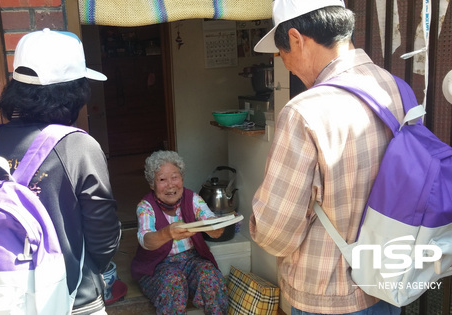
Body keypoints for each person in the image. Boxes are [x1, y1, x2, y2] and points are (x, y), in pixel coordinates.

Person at [250, 1, 405, 314]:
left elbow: (275, 233)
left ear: (296, 39)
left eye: (282, 55)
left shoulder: (304, 112)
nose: (286, 65)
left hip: (329, 295)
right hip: (389, 280)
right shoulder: (394, 88)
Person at [0, 28, 121, 315]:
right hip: (72, 298)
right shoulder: (78, 146)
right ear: (73, 92)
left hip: (1, 299)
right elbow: (104, 237)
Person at [130, 150, 228, 315]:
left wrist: (216, 228)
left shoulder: (193, 199)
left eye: (174, 177)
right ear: (152, 185)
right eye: (162, 179)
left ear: (181, 178)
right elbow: (146, 240)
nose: (170, 184)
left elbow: (210, 223)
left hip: (191, 260)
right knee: (173, 283)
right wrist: (167, 233)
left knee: (211, 276)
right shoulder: (145, 206)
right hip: (157, 266)